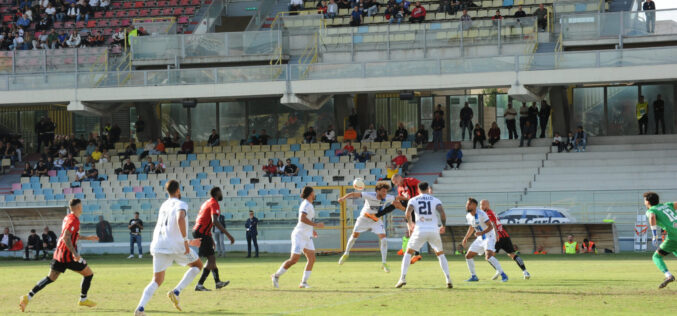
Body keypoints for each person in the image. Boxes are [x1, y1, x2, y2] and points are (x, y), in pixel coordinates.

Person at [133, 180, 204, 316]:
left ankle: (140, 308)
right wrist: (186, 241)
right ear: (178, 190)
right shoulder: (181, 204)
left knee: (156, 280)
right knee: (197, 265)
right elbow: (180, 219)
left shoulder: (164, 205)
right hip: (176, 246)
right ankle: (176, 292)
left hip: (159, 245)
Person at [19, 199, 99, 312]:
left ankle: (27, 297)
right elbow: (67, 238)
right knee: (89, 274)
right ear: (78, 207)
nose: (82, 208)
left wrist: (87, 238)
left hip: (59, 254)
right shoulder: (74, 220)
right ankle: (83, 299)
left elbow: (71, 235)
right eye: (81, 206)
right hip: (68, 256)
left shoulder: (67, 217)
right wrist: (75, 254)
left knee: (50, 278)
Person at [337, 182, 405, 273]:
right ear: (377, 191)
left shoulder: (388, 197)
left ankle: (384, 263)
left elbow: (398, 198)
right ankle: (346, 253)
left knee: (384, 239)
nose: (385, 193)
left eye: (386, 191)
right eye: (383, 191)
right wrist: (343, 198)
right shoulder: (369, 195)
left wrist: (410, 198)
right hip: (364, 218)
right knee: (354, 236)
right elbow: (353, 194)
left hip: (375, 220)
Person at [395, 182, 452, 288]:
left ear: (418, 190)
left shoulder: (413, 200)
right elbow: (442, 213)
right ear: (428, 189)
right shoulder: (435, 200)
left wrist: (411, 224)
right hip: (433, 230)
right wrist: (443, 225)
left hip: (420, 230)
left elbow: (407, 213)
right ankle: (448, 279)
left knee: (408, 253)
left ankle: (402, 278)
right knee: (440, 254)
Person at [271, 186, 325, 289]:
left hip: (307, 236)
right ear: (310, 194)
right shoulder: (306, 204)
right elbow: (302, 218)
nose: (315, 194)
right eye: (314, 192)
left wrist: (311, 230)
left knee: (312, 258)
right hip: (299, 236)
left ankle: (303, 282)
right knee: (294, 259)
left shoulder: (309, 205)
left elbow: (307, 220)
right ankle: (276, 276)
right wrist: (316, 225)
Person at [193, 187, 234, 291]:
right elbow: (214, 221)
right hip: (201, 232)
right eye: (221, 192)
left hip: (200, 231)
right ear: (217, 193)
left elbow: (205, 221)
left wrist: (210, 237)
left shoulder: (207, 202)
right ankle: (200, 284)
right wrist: (228, 235)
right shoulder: (214, 203)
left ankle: (218, 282)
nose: (222, 194)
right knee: (211, 259)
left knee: (212, 259)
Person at [462, 198, 508, 282]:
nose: (467, 206)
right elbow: (472, 227)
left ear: (474, 205)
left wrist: (481, 232)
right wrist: (466, 237)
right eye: (466, 204)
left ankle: (504, 275)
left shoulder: (482, 214)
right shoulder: (468, 216)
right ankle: (474, 276)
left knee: (488, 256)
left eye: (469, 204)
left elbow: (490, 227)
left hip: (489, 236)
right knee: (468, 256)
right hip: (480, 238)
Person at [481, 200, 530, 279]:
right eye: (480, 205)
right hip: (505, 235)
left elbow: (493, 223)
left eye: (483, 205)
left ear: (487, 205)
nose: (481, 207)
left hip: (497, 237)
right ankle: (525, 272)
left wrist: (496, 234)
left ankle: (499, 271)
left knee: (488, 257)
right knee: (512, 255)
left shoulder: (488, 213)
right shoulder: (492, 212)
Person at [643, 191, 677, 288]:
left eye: (645, 200)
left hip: (673, 236)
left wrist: (654, 235)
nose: (644, 202)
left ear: (648, 202)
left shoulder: (651, 210)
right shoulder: (667, 205)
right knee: (674, 250)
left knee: (656, 257)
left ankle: (668, 275)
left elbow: (652, 217)